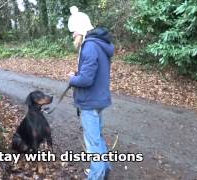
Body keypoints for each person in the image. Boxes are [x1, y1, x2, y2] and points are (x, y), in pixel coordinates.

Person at [67, 6, 115, 180]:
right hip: (100, 99)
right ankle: (105, 168)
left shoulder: (89, 47)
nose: (72, 35)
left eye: (73, 31)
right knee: (98, 137)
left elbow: (86, 80)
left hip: (90, 102)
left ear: (80, 30)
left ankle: (96, 175)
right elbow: (92, 73)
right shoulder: (101, 44)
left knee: (93, 143)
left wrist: (72, 79)